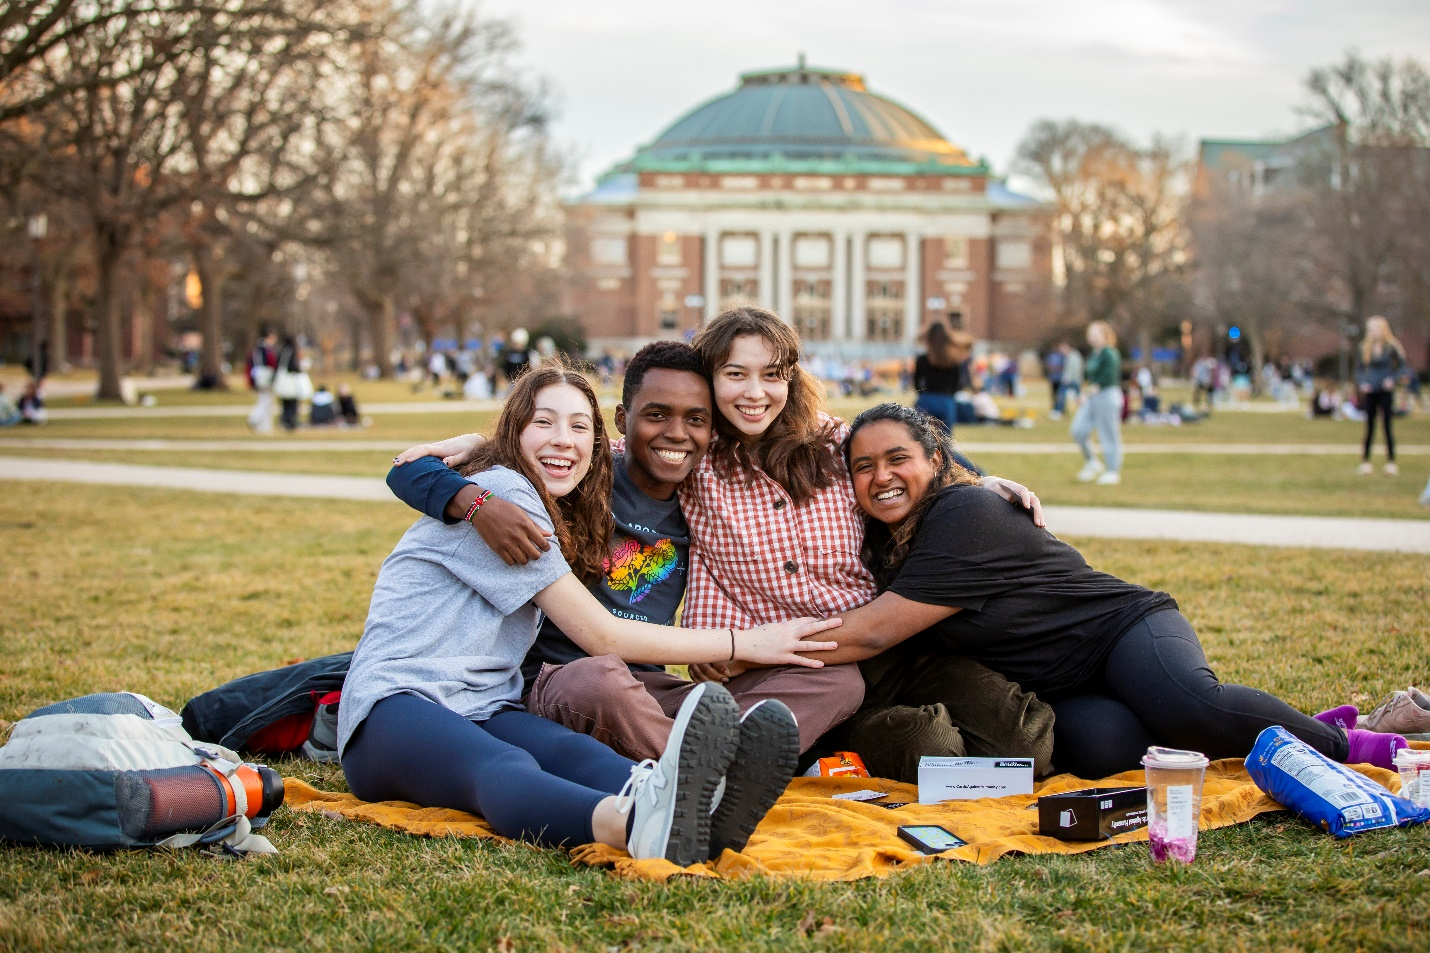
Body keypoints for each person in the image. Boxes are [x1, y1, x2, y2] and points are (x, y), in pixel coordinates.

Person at [406, 309, 1056, 783]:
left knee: (874, 693)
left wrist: (973, 477)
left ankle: (721, 766)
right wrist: (476, 463)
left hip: (778, 665)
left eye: (770, 374)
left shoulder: (774, 455)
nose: (753, 391)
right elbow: (530, 451)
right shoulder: (641, 465)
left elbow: (900, 447)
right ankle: (720, 776)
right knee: (603, 678)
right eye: (735, 374)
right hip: (620, 673)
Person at [340, 362, 841, 866]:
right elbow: (600, 633)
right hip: (392, 708)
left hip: (487, 704)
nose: (563, 440)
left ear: (598, 446)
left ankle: (697, 805)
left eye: (579, 427)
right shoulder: (507, 495)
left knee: (573, 754)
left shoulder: (562, 500)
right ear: (513, 432)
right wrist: (745, 643)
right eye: (544, 423)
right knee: (502, 764)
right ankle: (635, 824)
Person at [815, 402, 1410, 778]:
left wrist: (748, 647)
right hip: (1058, 684)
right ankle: (1273, 726)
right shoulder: (885, 542)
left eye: (898, 459)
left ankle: (1356, 742)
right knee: (1104, 754)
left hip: (1119, 631)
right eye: (863, 467)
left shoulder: (965, 513)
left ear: (937, 460)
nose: (881, 476)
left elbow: (872, 633)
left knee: (1190, 707)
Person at [389, 342, 863, 764]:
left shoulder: (704, 501)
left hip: (645, 689)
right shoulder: (579, 475)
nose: (676, 433)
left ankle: (710, 761)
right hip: (559, 683)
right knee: (600, 681)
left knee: (840, 682)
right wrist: (479, 484)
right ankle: (704, 774)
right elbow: (409, 473)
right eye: (657, 415)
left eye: (695, 419)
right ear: (622, 420)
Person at [1071, 320, 1123, 485]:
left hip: (1106, 395)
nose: (1092, 337)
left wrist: (1088, 393)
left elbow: (1107, 378)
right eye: (1090, 334)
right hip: (1093, 396)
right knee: (1078, 430)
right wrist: (1085, 394)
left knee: (1107, 433)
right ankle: (1092, 462)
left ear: (1104, 335)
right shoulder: (1095, 354)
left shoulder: (1109, 353)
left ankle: (1112, 470)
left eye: (1096, 334)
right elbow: (1090, 377)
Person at [1355, 316, 1408, 476]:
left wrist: (1392, 380)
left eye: (1375, 329)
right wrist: (1363, 382)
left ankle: (1391, 462)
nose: (1372, 332)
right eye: (1370, 329)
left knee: (1387, 426)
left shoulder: (1391, 347)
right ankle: (1366, 462)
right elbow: (1358, 370)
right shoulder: (1364, 347)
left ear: (1383, 329)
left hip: (1385, 390)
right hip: (1371, 390)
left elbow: (1402, 367)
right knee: (1369, 427)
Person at [912, 322, 969, 436]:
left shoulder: (923, 359)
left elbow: (917, 383)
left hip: (926, 399)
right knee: (945, 442)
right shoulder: (953, 360)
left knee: (921, 439)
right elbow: (959, 383)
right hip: (946, 400)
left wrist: (923, 393)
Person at [246, 327, 278, 434]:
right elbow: (269, 364)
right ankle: (254, 419)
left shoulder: (258, 348)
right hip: (264, 377)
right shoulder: (264, 349)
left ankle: (263, 426)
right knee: (265, 401)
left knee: (264, 401)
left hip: (259, 376)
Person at [274, 335, 302, 431]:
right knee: (292, 402)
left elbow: (277, 365)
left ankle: (284, 420)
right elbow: (293, 366)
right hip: (290, 382)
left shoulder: (281, 351)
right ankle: (291, 421)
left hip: (282, 382)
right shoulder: (291, 351)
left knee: (284, 403)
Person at [1057, 342, 1082, 418]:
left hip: (1072, 380)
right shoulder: (1068, 356)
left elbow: (1074, 369)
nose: (1061, 351)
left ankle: (1058, 411)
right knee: (1074, 397)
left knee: (1063, 395)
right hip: (1071, 380)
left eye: (1062, 349)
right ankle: (1060, 411)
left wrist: (1068, 378)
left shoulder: (1074, 356)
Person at [1044, 346, 1065, 418]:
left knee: (1060, 395)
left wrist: (1057, 368)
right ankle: (1054, 408)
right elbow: (1048, 366)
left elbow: (1063, 366)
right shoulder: (1051, 356)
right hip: (1053, 379)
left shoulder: (1061, 356)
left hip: (1060, 379)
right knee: (1053, 395)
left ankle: (1060, 409)